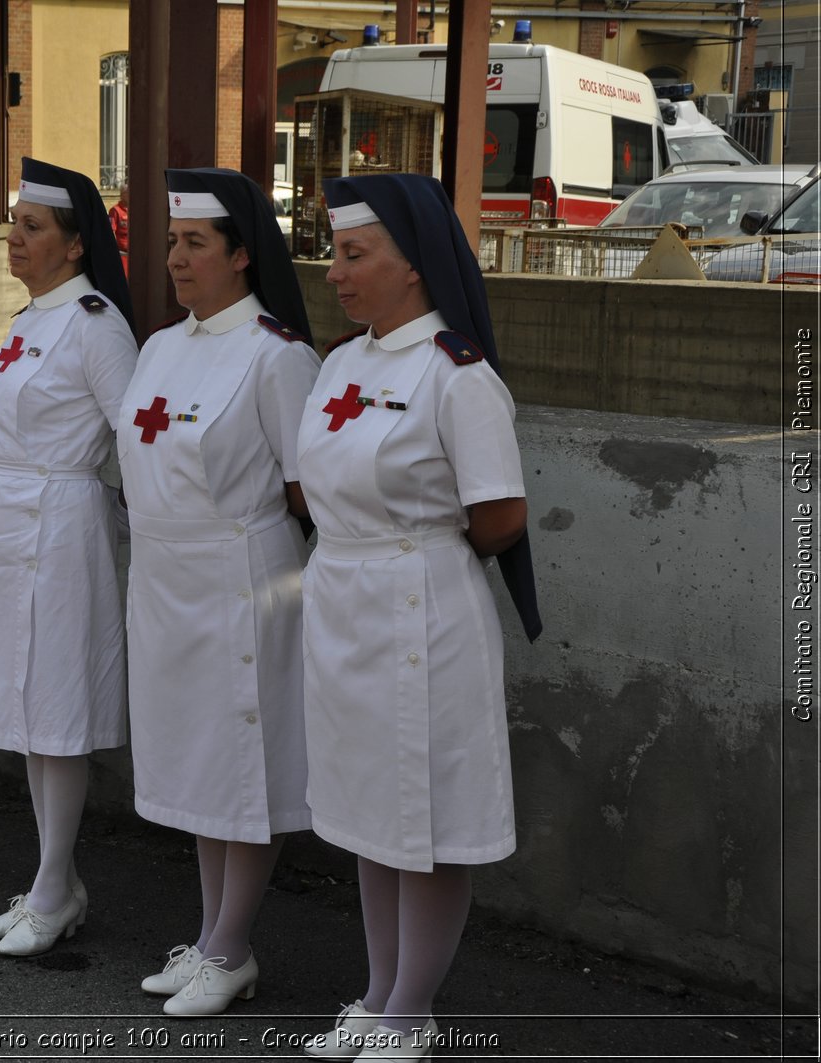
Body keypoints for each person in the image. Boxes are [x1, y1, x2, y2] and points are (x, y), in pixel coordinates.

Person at [296, 174, 540, 1061]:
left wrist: (414, 553)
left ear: (414, 266)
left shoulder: (456, 375)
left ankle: (412, 1008)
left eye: (355, 254)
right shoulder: (340, 364)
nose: (336, 272)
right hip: (344, 605)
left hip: (421, 609)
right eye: (336, 253)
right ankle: (376, 991)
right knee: (372, 812)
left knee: (426, 821)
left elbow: (500, 516)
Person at [117, 168, 321, 1017]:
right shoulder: (163, 346)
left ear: (242, 255)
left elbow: (309, 488)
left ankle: (232, 945)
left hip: (245, 581)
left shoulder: (280, 357)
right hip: (165, 579)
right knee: (199, 762)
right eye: (171, 241)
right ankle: (208, 935)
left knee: (244, 763)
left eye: (195, 243)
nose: (175, 258)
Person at [0, 157, 137, 956]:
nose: (15, 238)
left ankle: (53, 883)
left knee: (57, 708)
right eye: (14, 224)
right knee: (26, 708)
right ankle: (52, 879)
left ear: (75, 245)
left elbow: (135, 439)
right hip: (8, 521)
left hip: (63, 525)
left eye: (33, 227)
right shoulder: (30, 320)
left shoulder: (96, 324)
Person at [108, 181, 130, 278]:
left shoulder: (135, 209)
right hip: (122, 255)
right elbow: (110, 232)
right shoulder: (115, 211)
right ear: (122, 195)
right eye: (128, 193)